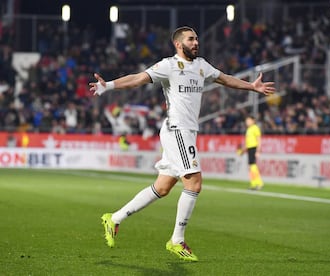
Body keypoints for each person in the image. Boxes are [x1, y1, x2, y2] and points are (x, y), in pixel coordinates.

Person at [89, 26, 275, 262]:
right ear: (179, 44)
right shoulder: (168, 65)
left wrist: (251, 86)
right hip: (177, 130)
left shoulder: (201, 65)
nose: (196, 42)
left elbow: (224, 78)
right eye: (191, 39)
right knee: (194, 182)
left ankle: (114, 218)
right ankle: (176, 240)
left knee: (163, 187)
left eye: (197, 38)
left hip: (186, 132)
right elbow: (138, 78)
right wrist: (109, 86)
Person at [237, 115, 264, 190]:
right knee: (251, 166)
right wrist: (243, 150)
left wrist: (258, 150)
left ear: (253, 121)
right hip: (249, 148)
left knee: (253, 166)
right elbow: (247, 142)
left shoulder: (255, 128)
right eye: (246, 121)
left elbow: (259, 139)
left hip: (253, 148)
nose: (247, 122)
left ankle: (258, 183)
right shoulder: (249, 129)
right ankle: (254, 183)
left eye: (248, 120)